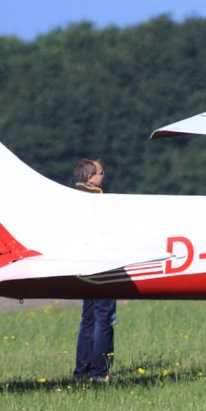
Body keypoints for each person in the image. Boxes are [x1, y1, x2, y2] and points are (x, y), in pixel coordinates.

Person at [72, 158, 117, 382]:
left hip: (82, 265)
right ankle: (100, 372)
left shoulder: (72, 198)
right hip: (101, 264)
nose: (103, 176)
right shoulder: (97, 199)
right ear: (91, 177)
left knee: (88, 319)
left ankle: (81, 372)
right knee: (104, 318)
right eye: (101, 172)